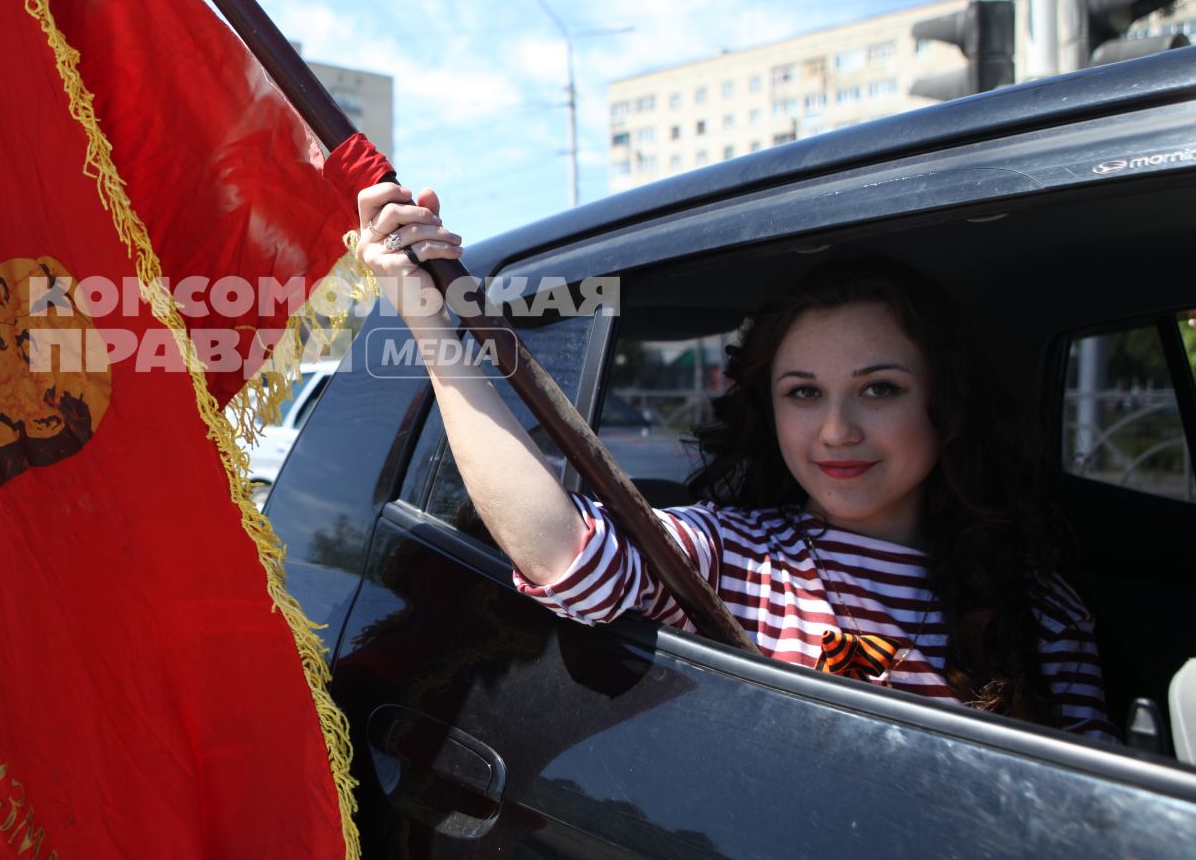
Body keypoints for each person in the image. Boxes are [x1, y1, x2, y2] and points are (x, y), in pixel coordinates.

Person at [356, 182, 1115, 739]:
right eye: (803, 393)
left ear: (944, 406)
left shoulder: (1042, 610)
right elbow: (564, 555)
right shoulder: (738, 555)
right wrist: (430, 329)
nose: (836, 430)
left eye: (879, 389)